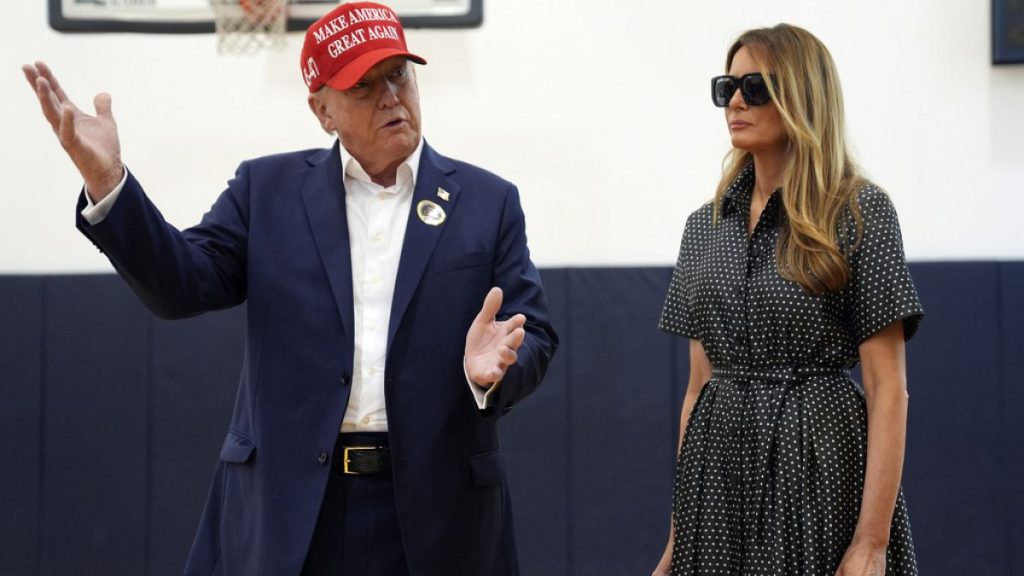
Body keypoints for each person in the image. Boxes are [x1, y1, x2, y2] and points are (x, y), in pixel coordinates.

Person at [23, 2, 557, 574]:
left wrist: (494, 371)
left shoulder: (487, 200)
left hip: (437, 512)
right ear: (322, 109)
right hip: (293, 509)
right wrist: (107, 180)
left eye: (399, 74)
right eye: (363, 86)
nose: (390, 96)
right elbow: (180, 285)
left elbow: (533, 334)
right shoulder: (266, 191)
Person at [652, 24, 922, 576]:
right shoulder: (702, 227)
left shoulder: (858, 211)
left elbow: (887, 388)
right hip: (718, 481)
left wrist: (871, 543)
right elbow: (697, 391)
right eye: (726, 86)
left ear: (802, 94)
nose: (733, 100)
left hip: (817, 469)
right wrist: (677, 543)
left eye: (755, 87)